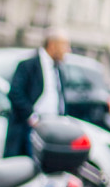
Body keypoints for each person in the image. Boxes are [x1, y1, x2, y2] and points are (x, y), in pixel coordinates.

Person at [4, 28, 70, 158]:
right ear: (52, 44)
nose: (68, 50)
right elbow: (15, 93)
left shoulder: (59, 70)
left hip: (52, 129)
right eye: (64, 45)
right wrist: (32, 118)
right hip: (28, 129)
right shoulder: (28, 65)